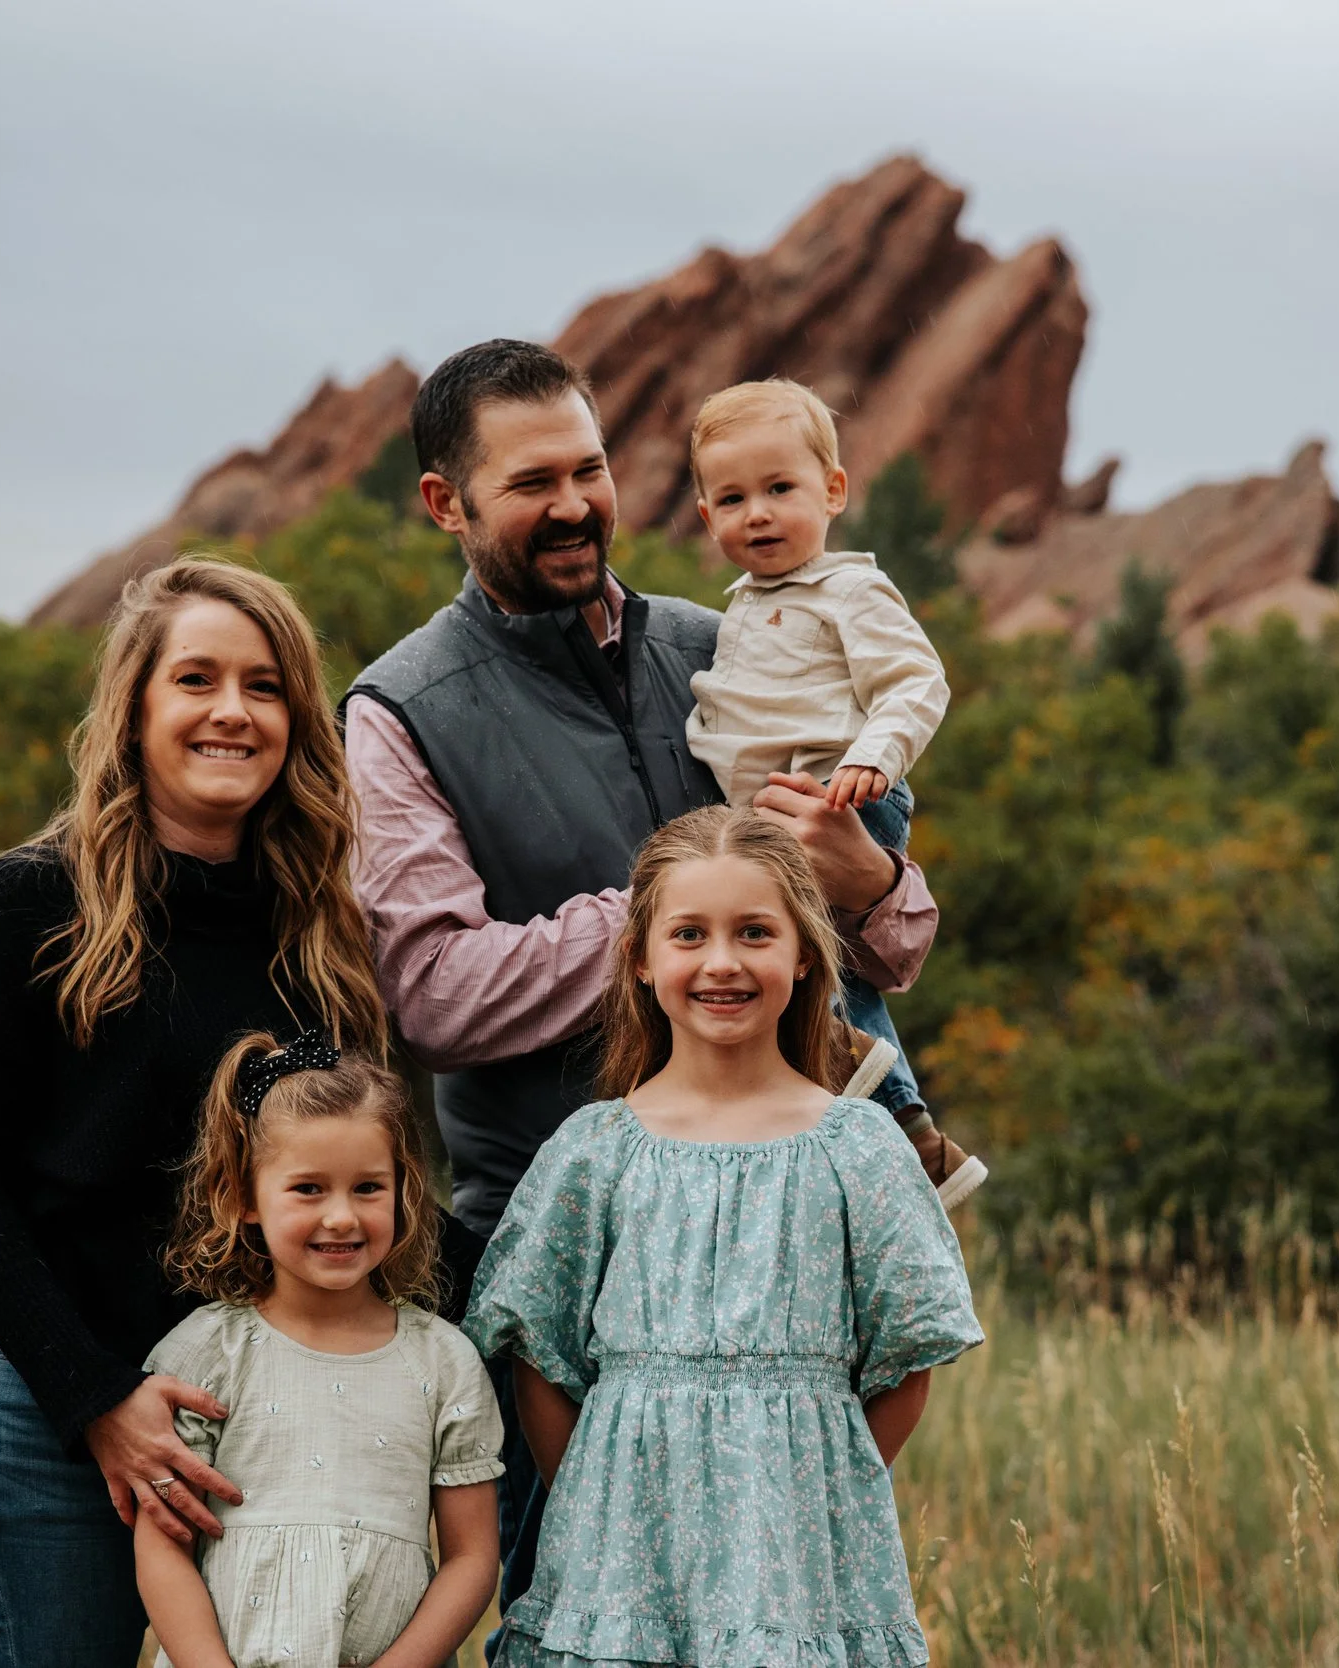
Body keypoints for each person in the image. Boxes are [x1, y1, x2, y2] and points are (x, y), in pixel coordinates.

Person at [340, 338, 949, 1622]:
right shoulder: (400, 711)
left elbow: (889, 946)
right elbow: (436, 996)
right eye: (529, 483)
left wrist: (859, 880)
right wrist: (675, 919)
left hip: (781, 1256)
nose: (573, 505)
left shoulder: (726, 641)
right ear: (445, 503)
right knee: (578, 1620)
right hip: (555, 1269)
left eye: (591, 467)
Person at [0, 557, 391, 1668]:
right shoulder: (30, 903)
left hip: (249, 1415)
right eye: (197, 680)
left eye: (265, 687)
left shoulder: (315, 933)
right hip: (45, 1409)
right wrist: (98, 1399)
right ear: (135, 711)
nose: (232, 711)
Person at [462, 805, 984, 1667]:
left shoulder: (857, 1147)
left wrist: (819, 1487)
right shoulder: (595, 1152)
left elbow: (906, 1360)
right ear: (640, 958)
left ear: (805, 953)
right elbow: (539, 1360)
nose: (722, 962)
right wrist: (601, 1491)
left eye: (754, 933)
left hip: (804, 1568)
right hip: (617, 1566)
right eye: (690, 934)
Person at [686, 376, 987, 1205]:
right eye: (733, 498)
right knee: (814, 975)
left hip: (839, 798)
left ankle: (903, 1129)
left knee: (819, 976)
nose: (758, 513)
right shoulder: (742, 607)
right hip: (777, 811)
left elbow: (917, 681)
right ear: (706, 518)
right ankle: (909, 1141)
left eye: (781, 489)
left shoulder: (847, 588)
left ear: (833, 489)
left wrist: (873, 761)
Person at [135, 1030, 502, 1668]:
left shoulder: (444, 1362)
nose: (342, 1217)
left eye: (367, 1188)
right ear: (244, 1198)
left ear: (403, 1193)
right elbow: (163, 1545)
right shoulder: (205, 1353)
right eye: (308, 1189)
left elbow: (471, 1557)